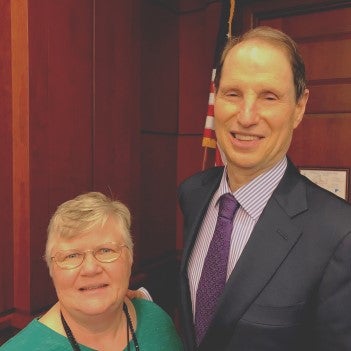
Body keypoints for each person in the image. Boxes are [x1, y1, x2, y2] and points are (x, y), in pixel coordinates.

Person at [178, 26, 351, 351]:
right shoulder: (193, 193)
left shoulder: (339, 235)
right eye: (233, 94)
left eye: (269, 97)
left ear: (299, 107)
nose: (246, 116)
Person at [1, 192, 183, 351]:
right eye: (71, 256)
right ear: (52, 269)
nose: (90, 269)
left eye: (106, 250)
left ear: (130, 258)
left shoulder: (158, 322)